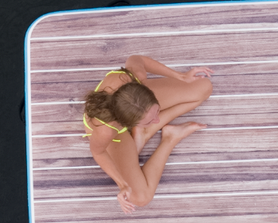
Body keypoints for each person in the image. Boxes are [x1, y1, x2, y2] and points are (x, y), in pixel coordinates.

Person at [81, 55, 213, 213]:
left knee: (203, 86)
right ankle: (170, 138)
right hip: (117, 135)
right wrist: (122, 184)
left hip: (134, 101)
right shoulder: (105, 130)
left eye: (157, 111)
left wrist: (180, 76)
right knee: (140, 197)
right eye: (150, 121)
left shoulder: (134, 75)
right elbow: (98, 152)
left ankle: (144, 130)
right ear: (130, 124)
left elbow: (136, 58)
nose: (158, 120)